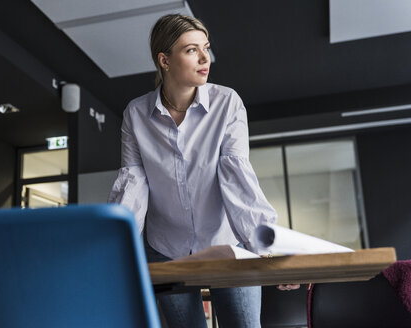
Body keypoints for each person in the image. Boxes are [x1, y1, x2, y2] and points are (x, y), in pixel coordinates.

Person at [109, 14, 297, 328]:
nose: (204, 58)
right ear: (164, 60)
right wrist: (112, 249)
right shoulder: (136, 114)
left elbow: (237, 177)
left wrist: (269, 247)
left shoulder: (227, 104)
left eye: (205, 48)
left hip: (226, 244)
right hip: (166, 248)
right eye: (191, 50)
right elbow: (133, 184)